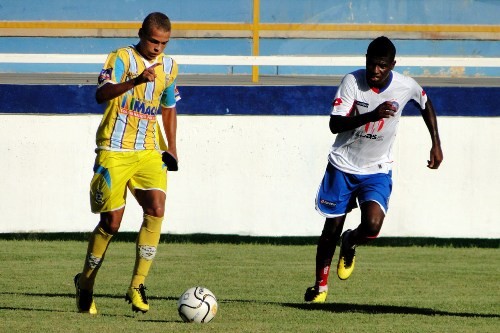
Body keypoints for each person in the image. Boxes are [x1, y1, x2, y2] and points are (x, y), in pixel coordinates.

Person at [304, 36, 443, 303]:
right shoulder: (352, 82)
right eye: (371, 64)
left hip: (377, 168)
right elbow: (335, 125)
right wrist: (372, 115)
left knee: (372, 225)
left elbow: (425, 103)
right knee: (331, 228)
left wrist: (436, 143)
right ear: (365, 60)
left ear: (392, 64)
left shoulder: (405, 86)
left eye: (382, 66)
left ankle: (351, 242)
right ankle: (320, 289)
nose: (375, 71)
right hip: (342, 165)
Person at [74, 12, 181, 314]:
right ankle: (86, 283)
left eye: (164, 43)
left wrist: (172, 147)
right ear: (141, 34)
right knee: (112, 223)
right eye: (153, 41)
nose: (158, 47)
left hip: (149, 150)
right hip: (115, 149)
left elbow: (169, 107)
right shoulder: (121, 58)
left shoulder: (170, 67)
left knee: (156, 209)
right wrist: (135, 81)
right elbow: (101, 94)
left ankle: (137, 285)